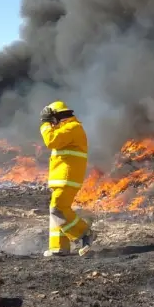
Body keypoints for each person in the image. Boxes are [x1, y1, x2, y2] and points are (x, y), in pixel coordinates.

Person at [39, 101, 96, 257]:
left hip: (68, 178)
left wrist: (44, 124)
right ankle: (59, 248)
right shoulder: (67, 129)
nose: (52, 123)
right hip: (62, 179)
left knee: (58, 209)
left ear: (57, 116)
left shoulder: (72, 128)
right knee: (56, 211)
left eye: (52, 120)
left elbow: (51, 141)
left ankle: (85, 233)